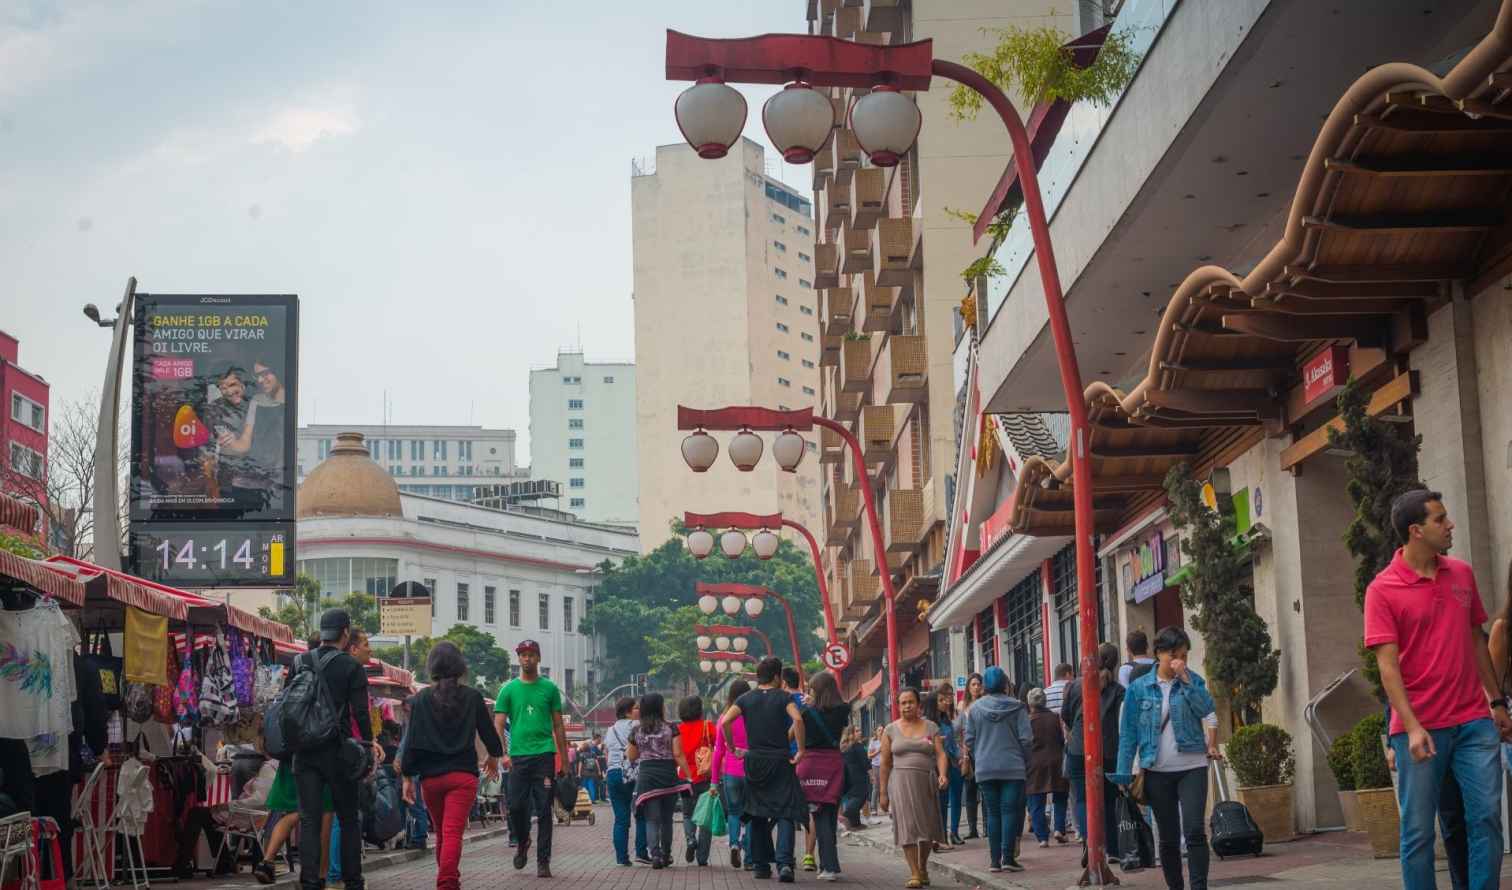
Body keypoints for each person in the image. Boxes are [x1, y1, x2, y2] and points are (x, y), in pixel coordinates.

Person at [1366, 490, 1511, 890]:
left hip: (1473, 722)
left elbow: (1476, 638)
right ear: (1416, 531)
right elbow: (1387, 666)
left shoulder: (1461, 573)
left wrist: (1495, 700)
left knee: (1485, 819)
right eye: (1440, 519)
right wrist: (1410, 727)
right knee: (1418, 833)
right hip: (1421, 728)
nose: (1449, 526)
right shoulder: (1382, 589)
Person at [1111, 626, 1220, 890]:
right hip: (1156, 770)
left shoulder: (1193, 680)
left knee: (1194, 830)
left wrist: (1186, 679)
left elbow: (1207, 709)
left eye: (1183, 655)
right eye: (1174, 655)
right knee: (1169, 838)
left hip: (1192, 766)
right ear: (1159, 653)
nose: (1179, 661)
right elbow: (1128, 734)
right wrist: (1124, 773)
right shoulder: (1138, 689)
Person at [397, 642, 503, 890]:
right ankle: (447, 883)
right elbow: (490, 737)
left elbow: (411, 742)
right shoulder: (473, 697)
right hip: (462, 777)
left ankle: (448, 881)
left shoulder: (420, 699)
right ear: (460, 667)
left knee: (443, 834)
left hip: (431, 780)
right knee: (452, 832)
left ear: (432, 667)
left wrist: (407, 778)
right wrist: (494, 757)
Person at [291, 610, 381, 890]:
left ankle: (309, 882)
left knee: (309, 819)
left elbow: (288, 705)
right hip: (338, 751)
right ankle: (353, 881)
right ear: (345, 633)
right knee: (348, 817)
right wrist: (368, 744)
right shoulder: (350, 666)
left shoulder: (299, 661)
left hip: (304, 751)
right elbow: (361, 712)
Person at [720, 657, 808, 883]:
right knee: (785, 811)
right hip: (780, 760)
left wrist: (732, 747)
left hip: (755, 761)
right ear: (778, 677)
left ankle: (760, 865)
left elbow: (725, 722)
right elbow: (798, 719)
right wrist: (800, 750)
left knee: (757, 812)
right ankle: (785, 864)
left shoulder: (745, 699)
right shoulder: (784, 697)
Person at [493, 639, 569, 878]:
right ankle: (523, 840)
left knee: (544, 810)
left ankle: (543, 861)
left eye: (531, 654)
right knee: (515, 807)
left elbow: (558, 725)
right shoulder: (508, 689)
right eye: (523, 655)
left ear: (538, 658)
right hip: (517, 758)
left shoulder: (549, 689)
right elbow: (498, 723)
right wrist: (502, 754)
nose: (527, 659)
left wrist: (565, 761)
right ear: (519, 659)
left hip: (544, 755)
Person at [963, 666, 1032, 874]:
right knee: (1009, 811)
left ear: (984, 686)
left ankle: (994, 861)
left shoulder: (974, 710)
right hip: (1013, 767)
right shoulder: (1018, 707)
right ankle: (1008, 858)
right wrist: (1024, 760)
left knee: (993, 814)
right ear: (1005, 684)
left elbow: (969, 740)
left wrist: (980, 756)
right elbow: (1026, 739)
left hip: (985, 768)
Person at [1063, 643, 1124, 863]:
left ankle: (1089, 842)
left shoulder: (1074, 686)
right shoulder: (1118, 691)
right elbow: (1121, 724)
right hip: (1107, 750)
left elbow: (1066, 714)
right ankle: (1113, 850)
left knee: (1081, 798)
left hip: (1079, 747)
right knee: (1109, 799)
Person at [881, 687, 948, 889]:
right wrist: (883, 793)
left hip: (926, 782)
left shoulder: (931, 727)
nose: (907, 706)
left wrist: (943, 774)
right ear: (898, 706)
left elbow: (941, 754)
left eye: (910, 702)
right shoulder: (890, 730)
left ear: (918, 705)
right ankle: (914, 872)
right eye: (903, 702)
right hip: (900, 783)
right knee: (907, 827)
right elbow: (885, 763)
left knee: (926, 828)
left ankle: (922, 866)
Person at [627, 693, 691, 869]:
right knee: (666, 819)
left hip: (647, 778)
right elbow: (678, 754)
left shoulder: (636, 731)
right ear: (659, 707)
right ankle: (666, 854)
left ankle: (654, 855)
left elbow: (631, 756)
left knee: (651, 819)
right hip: (668, 776)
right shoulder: (672, 728)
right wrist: (688, 775)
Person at [796, 670, 850, 881]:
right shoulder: (843, 709)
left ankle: (829, 867)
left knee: (819, 817)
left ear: (816, 691)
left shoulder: (808, 713)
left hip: (813, 765)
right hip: (834, 764)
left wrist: (806, 708)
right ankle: (830, 864)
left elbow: (792, 732)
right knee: (830, 813)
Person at [711, 680, 754, 870]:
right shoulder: (755, 717)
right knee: (752, 814)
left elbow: (718, 752)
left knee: (734, 813)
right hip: (753, 771)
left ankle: (735, 843)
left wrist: (713, 781)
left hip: (730, 773)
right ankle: (750, 858)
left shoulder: (723, 719)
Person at [604, 697, 649, 867]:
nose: (639, 710)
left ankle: (622, 858)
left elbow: (609, 750)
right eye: (636, 708)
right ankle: (642, 852)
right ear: (628, 711)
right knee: (641, 814)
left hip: (613, 773)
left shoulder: (610, 729)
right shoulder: (638, 726)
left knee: (621, 819)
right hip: (634, 773)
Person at [1024, 688, 1070, 847]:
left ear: (1030, 703)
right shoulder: (1054, 718)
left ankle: (1042, 837)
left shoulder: (1028, 720)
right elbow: (1061, 739)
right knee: (1060, 796)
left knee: (1036, 800)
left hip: (1035, 763)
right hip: (1056, 760)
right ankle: (1058, 828)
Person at [676, 695, 716, 866]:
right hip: (705, 776)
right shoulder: (708, 726)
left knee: (687, 813)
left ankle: (690, 839)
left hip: (684, 777)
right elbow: (718, 746)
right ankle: (702, 857)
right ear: (699, 710)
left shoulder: (678, 730)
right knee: (706, 817)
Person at [930, 683, 965, 846]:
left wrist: (961, 757)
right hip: (938, 765)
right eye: (943, 699)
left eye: (949, 697)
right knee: (941, 801)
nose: (947, 701)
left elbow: (953, 743)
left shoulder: (948, 719)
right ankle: (940, 835)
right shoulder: (929, 723)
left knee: (956, 799)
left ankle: (954, 832)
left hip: (953, 762)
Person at [958, 673, 985, 840]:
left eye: (978, 684)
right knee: (969, 790)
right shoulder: (962, 705)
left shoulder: (985, 703)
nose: (975, 687)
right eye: (973, 684)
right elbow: (960, 730)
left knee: (985, 789)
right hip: (967, 751)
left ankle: (988, 827)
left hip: (983, 749)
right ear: (968, 687)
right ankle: (972, 828)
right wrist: (963, 751)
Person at [840, 725, 872, 832]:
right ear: (850, 734)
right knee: (861, 797)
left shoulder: (844, 747)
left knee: (854, 797)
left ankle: (855, 823)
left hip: (848, 776)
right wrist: (871, 775)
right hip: (859, 776)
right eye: (857, 731)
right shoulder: (857, 746)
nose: (860, 732)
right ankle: (846, 815)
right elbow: (865, 763)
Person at [577, 739, 602, 805]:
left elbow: (580, 764)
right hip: (592, 772)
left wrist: (579, 773)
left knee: (584, 786)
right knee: (591, 786)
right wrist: (599, 771)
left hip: (584, 773)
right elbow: (597, 763)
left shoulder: (581, 755)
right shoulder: (593, 753)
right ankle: (592, 800)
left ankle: (585, 799)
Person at [867, 727, 884, 818]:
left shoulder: (887, 740)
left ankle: (888, 807)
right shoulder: (873, 742)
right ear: (876, 732)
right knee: (876, 787)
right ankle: (873, 808)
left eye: (882, 730)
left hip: (886, 766)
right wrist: (878, 751)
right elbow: (869, 756)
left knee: (888, 786)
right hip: (876, 766)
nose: (881, 732)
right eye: (879, 730)